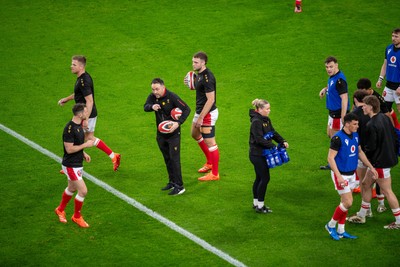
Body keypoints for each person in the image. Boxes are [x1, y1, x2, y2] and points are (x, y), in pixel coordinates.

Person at [58, 55, 120, 171]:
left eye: (74, 65)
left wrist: (85, 119)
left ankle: (70, 166)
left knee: (78, 138)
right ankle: (113, 156)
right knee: (88, 137)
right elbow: (78, 94)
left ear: (81, 67)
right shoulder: (81, 78)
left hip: (86, 114)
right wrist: (66, 99)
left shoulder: (84, 81)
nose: (71, 66)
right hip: (84, 113)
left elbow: (89, 100)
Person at [348, 95, 400, 229]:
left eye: (364, 105)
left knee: (387, 191)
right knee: (365, 184)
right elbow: (394, 136)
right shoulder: (384, 117)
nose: (362, 107)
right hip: (385, 160)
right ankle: (362, 214)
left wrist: (363, 157)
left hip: (379, 165)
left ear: (370, 107)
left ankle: (399, 222)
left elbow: (371, 147)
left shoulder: (371, 124)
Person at [325, 113, 377, 240]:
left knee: (344, 203)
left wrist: (371, 167)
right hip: (341, 174)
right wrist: (339, 177)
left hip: (351, 174)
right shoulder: (337, 138)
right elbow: (330, 158)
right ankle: (330, 225)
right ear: (347, 123)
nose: (357, 126)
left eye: (357, 123)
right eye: (355, 124)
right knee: (348, 202)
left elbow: (359, 152)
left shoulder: (355, 135)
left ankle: (341, 230)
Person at [144, 78, 191, 195]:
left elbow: (187, 109)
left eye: (157, 89)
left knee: (174, 159)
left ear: (163, 87)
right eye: (153, 89)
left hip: (173, 135)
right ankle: (172, 182)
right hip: (160, 135)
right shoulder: (152, 97)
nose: (155, 92)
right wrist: (152, 107)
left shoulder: (172, 97)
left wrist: (178, 123)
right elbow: (145, 106)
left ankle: (180, 186)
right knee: (167, 158)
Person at [55, 103, 95, 228]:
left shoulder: (79, 126)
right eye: (85, 111)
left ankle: (60, 209)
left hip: (76, 163)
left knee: (71, 188)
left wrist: (83, 153)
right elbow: (69, 149)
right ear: (79, 114)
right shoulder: (70, 129)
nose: (87, 113)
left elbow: (77, 145)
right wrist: (85, 145)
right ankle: (76, 216)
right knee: (83, 191)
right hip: (71, 165)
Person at [184, 51, 220, 181]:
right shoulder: (199, 75)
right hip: (200, 110)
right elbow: (202, 89)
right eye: (193, 61)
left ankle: (215, 174)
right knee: (195, 134)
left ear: (203, 62)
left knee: (210, 142)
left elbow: (210, 100)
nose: (193, 64)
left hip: (207, 113)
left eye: (196, 62)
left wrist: (201, 118)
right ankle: (209, 162)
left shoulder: (207, 77)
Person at [249, 99, 289, 214]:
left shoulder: (266, 119)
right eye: (267, 109)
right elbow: (259, 139)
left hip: (261, 153)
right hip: (257, 155)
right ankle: (260, 206)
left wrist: (282, 140)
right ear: (260, 109)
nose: (269, 111)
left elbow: (273, 132)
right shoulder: (256, 122)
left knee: (259, 178)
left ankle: (256, 203)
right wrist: (273, 146)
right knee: (265, 178)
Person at [319, 56, 350, 170]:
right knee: (329, 134)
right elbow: (331, 86)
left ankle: (335, 163)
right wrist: (325, 89)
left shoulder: (340, 80)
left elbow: (345, 98)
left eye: (331, 66)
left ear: (337, 65)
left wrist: (343, 116)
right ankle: (337, 161)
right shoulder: (333, 77)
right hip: (332, 113)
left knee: (335, 139)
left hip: (337, 115)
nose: (328, 69)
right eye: (327, 67)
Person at [376, 28, 400, 127]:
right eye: (393, 36)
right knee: (385, 108)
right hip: (389, 85)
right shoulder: (388, 48)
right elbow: (385, 64)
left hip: (398, 86)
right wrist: (380, 79)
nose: (393, 38)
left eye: (396, 36)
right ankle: (394, 128)